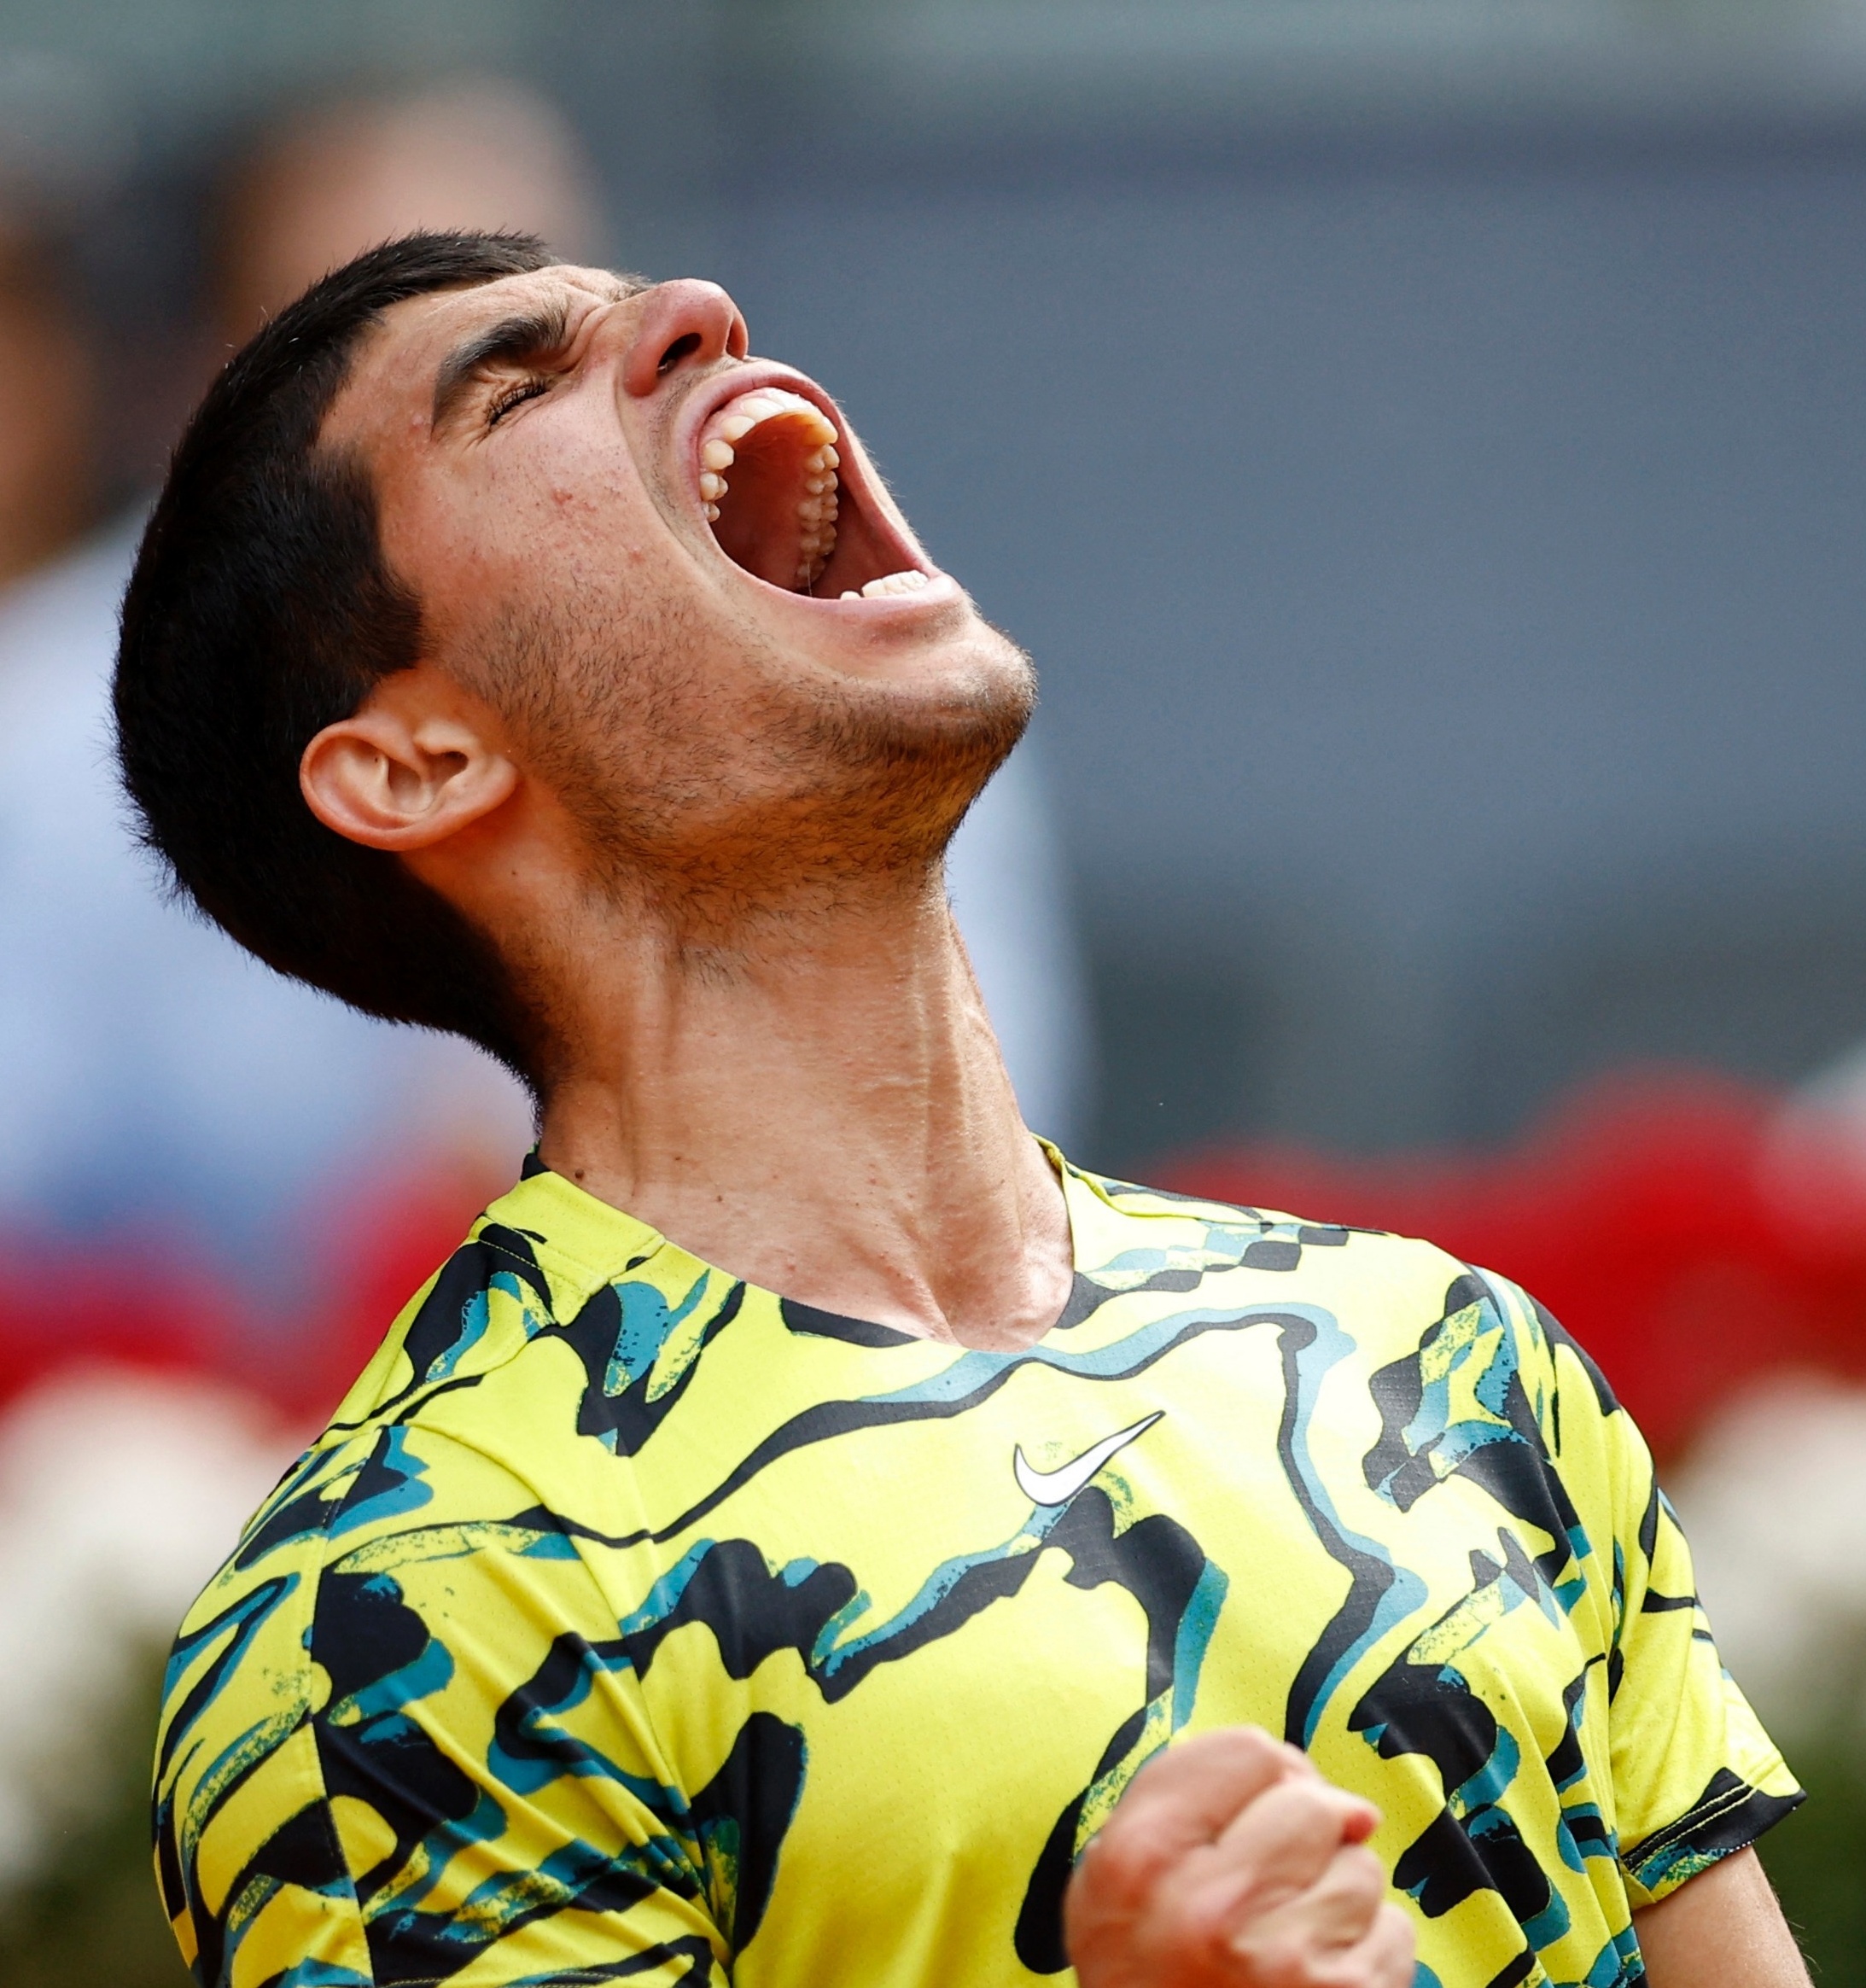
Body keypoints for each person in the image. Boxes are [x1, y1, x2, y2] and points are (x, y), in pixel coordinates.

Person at [131, 236, 1866, 1988]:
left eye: (650, 301)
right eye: (517, 385)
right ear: (410, 761)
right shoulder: (404, 1624)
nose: (696, 312)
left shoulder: (1442, 1358)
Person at [0, 79, 1088, 1295]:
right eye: (510, 386)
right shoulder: (39, 719)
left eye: (585, 283)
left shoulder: (848, 651)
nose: (695, 318)